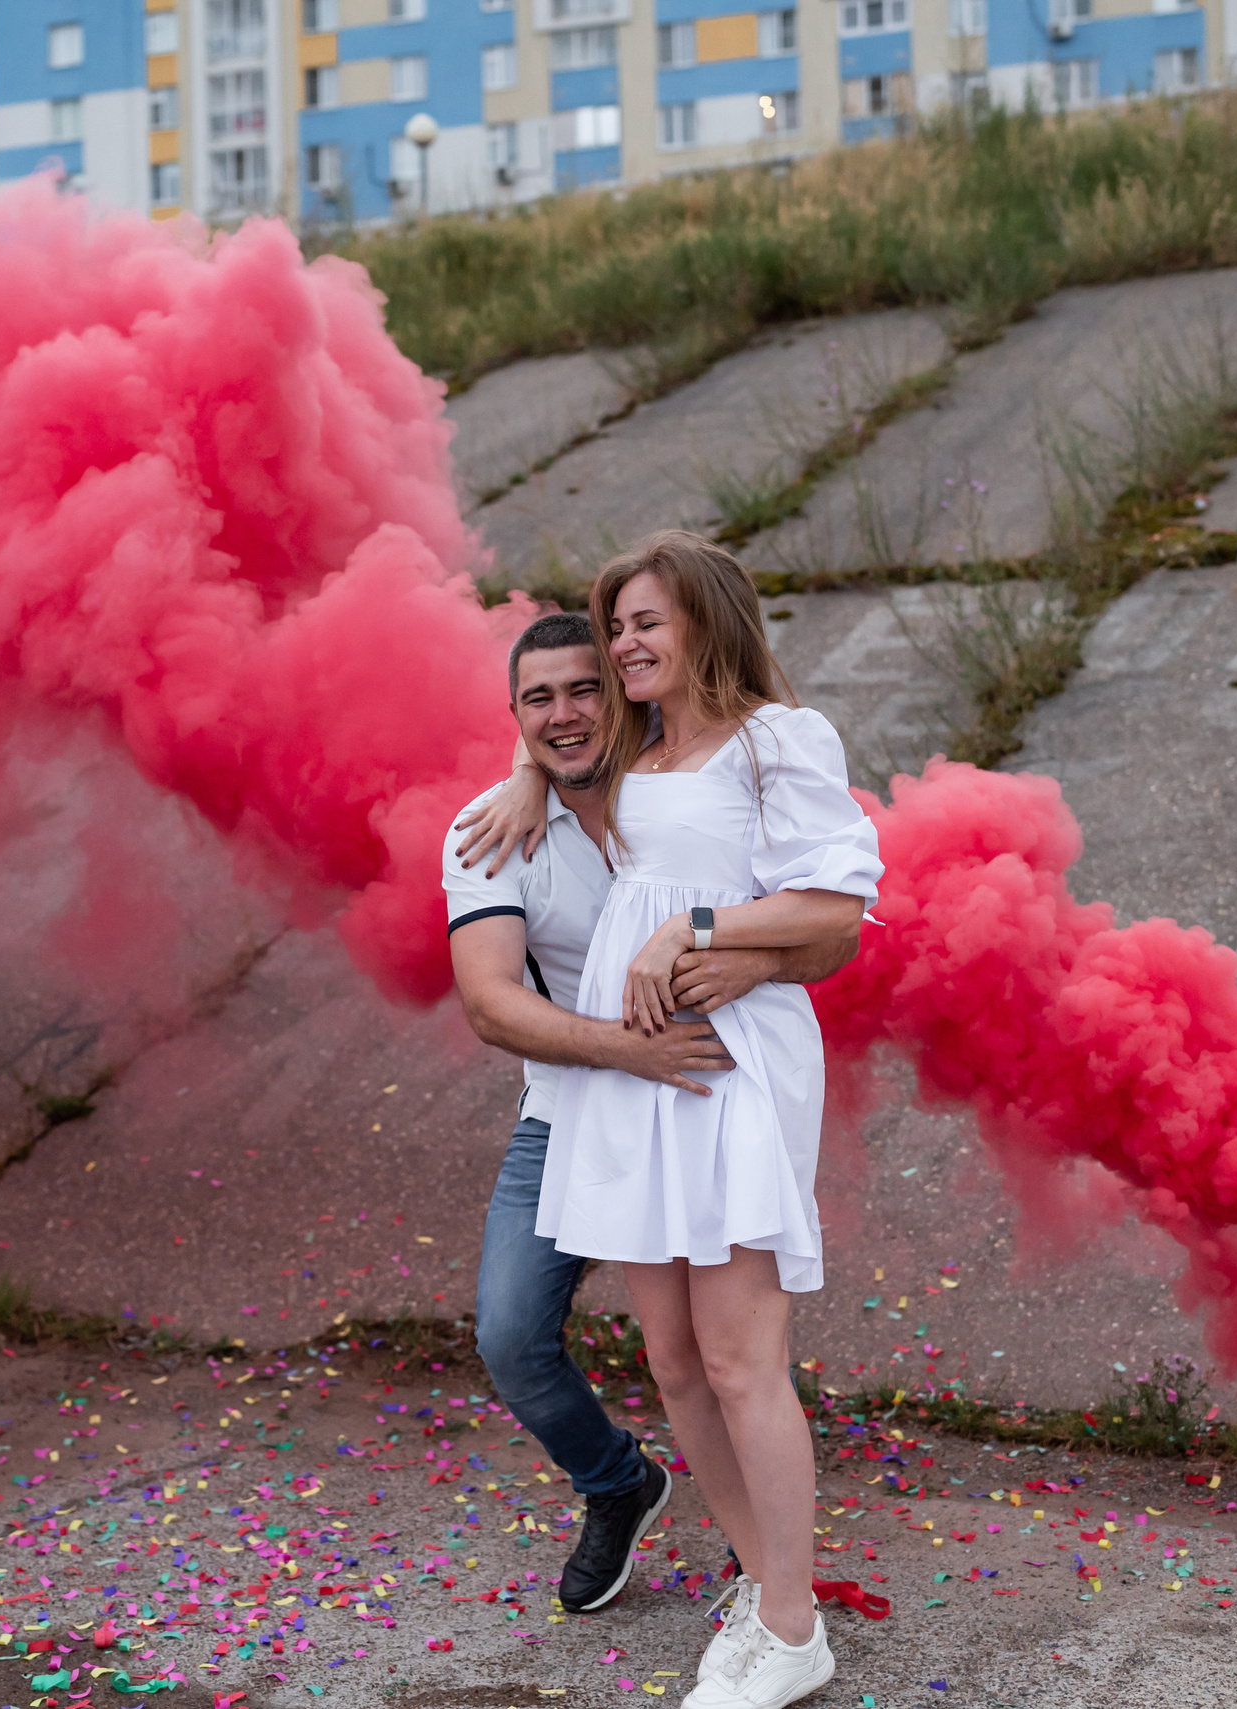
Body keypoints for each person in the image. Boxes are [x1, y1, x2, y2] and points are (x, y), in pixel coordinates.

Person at [469, 534, 880, 1709]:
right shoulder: (643, 748)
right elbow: (556, 721)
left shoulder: (772, 738)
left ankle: (794, 1628)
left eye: (647, 622)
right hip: (629, 1082)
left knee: (744, 1357)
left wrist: (692, 930)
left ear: (704, 618)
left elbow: (835, 903)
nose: (627, 644)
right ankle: (763, 1586)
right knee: (674, 1359)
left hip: (725, 1059)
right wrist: (523, 769)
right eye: (617, 627)